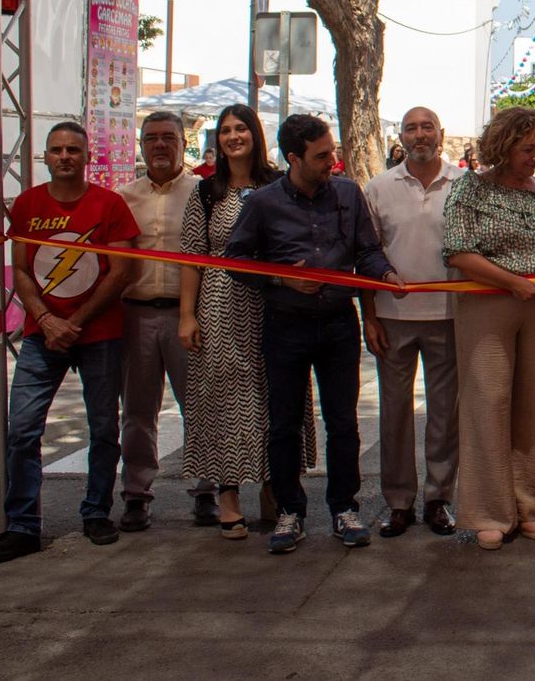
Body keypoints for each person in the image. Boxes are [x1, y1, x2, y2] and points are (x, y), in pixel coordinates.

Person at [225, 114, 402, 554]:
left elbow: (367, 252)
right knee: (283, 424)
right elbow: (236, 262)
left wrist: (387, 276)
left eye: (333, 152)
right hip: (285, 326)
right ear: (293, 158)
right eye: (322, 156)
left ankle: (344, 508)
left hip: (340, 323)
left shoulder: (348, 193)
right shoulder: (262, 203)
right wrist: (282, 280)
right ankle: (290, 511)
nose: (333, 162)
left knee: (342, 422)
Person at [0, 122, 140, 563]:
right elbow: (23, 271)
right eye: (56, 150)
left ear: (88, 156)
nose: (65, 156)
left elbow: (121, 271)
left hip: (100, 334)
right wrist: (48, 320)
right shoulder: (28, 205)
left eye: (73, 149)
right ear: (46, 157)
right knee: (22, 430)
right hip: (41, 336)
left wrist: (78, 320)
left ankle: (96, 512)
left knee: (104, 427)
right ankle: (23, 525)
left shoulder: (110, 204)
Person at [178, 103, 314, 540]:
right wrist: (186, 314)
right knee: (222, 399)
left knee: (277, 395)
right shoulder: (205, 191)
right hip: (219, 303)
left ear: (256, 134)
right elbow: (191, 258)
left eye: (241, 129)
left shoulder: (278, 184)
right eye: (225, 131)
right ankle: (229, 496)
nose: (233, 137)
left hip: (274, 300)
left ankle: (277, 490)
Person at [444, 106, 535, 549]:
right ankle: (488, 511)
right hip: (488, 305)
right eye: (527, 148)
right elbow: (458, 253)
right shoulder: (471, 190)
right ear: (503, 146)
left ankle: (532, 505)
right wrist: (513, 283)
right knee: (488, 402)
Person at [362, 107, 460, 538]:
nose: (420, 135)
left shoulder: (464, 185)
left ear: (441, 133)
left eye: (427, 128)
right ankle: (399, 502)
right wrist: (369, 316)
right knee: (394, 414)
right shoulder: (379, 188)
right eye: (411, 128)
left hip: (450, 315)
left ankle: (438, 499)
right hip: (392, 317)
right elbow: (365, 256)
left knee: (445, 415)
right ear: (400, 136)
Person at [115, 111, 216, 532]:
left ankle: (207, 491)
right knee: (137, 411)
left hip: (186, 316)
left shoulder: (204, 193)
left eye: (168, 138)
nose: (159, 145)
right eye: (151, 138)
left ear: (182, 143)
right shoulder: (123, 197)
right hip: (136, 315)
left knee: (200, 406)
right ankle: (137, 495)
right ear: (140, 144)